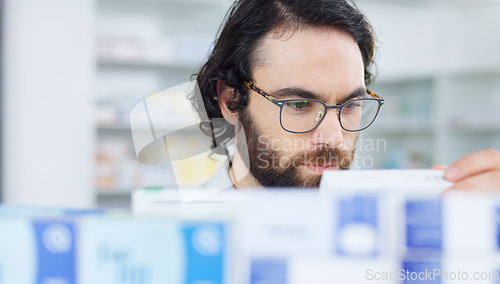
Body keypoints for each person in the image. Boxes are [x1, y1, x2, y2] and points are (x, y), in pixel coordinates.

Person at [191, 0, 500, 191]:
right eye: (299, 104)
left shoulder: (392, 225)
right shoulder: (176, 233)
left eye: (350, 105)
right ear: (231, 100)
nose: (334, 138)